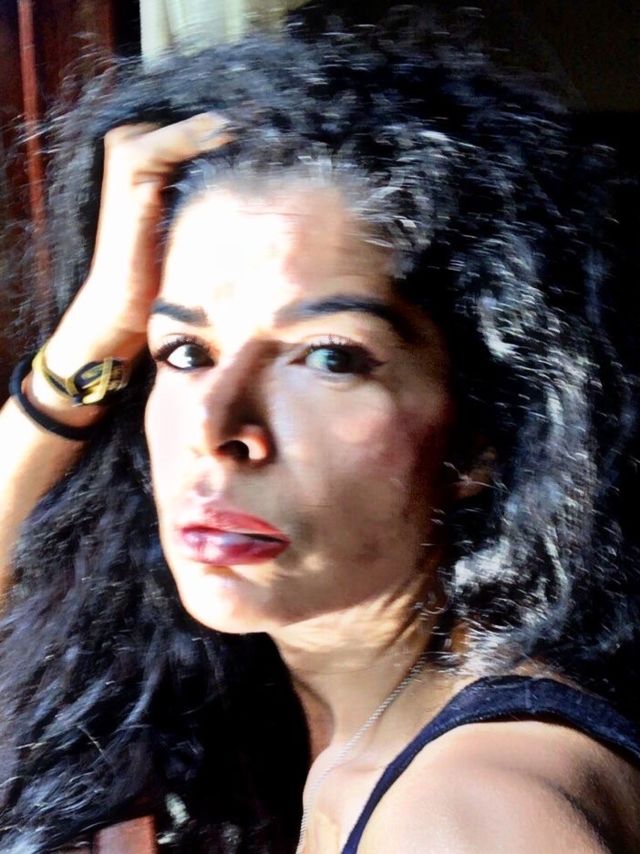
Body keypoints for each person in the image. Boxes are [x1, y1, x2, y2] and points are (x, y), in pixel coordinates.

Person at [1, 17, 640, 854]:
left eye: (329, 357)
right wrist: (86, 343)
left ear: (486, 436)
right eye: (184, 352)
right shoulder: (299, 720)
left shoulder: (469, 813)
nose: (216, 429)